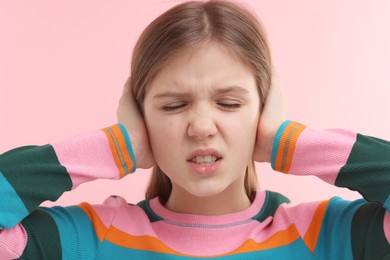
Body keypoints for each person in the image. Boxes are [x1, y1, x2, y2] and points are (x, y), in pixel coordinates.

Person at [0, 0, 389, 259]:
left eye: (229, 104)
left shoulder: (327, 237)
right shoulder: (88, 239)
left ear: (264, 109)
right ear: (140, 116)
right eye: (173, 105)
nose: (201, 127)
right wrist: (120, 148)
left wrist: (284, 141)